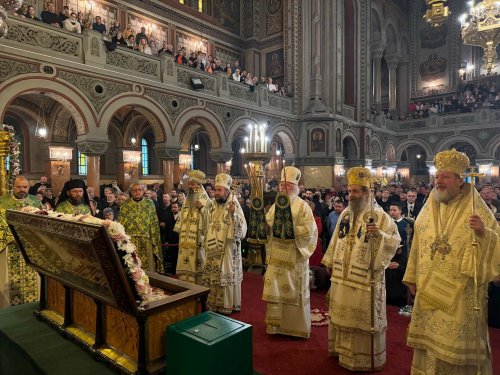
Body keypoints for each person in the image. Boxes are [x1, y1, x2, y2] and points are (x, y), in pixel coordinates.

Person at [403, 149, 500, 374]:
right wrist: (412, 276)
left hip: (460, 293)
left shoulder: (477, 207)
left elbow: (495, 240)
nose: (439, 181)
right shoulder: (429, 205)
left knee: (454, 349)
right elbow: (418, 241)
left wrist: (483, 233)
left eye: (445, 176)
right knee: (429, 345)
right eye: (437, 177)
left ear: (459, 179)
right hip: (428, 288)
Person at [322, 166, 400, 371]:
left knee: (360, 319)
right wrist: (330, 261)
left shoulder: (380, 216)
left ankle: (362, 358)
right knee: (341, 314)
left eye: (356, 191)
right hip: (342, 275)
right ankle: (341, 351)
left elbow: (394, 241)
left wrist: (380, 236)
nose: (351, 195)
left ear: (367, 193)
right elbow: (336, 240)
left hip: (364, 277)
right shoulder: (346, 213)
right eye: (349, 191)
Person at [262, 166, 318, 338]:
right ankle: (276, 327)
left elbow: (310, 231)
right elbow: (269, 226)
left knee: (293, 292)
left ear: (294, 187)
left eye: (286, 185)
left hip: (294, 256)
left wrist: (288, 229)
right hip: (276, 255)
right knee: (275, 291)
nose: (283, 188)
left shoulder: (303, 207)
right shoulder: (275, 206)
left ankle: (296, 328)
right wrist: (264, 225)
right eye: (281, 185)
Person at [202, 173, 246, 314]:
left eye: (219, 190)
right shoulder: (213, 206)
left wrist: (233, 215)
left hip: (227, 249)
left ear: (227, 191)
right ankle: (214, 303)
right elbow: (206, 224)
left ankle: (227, 304)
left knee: (225, 275)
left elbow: (242, 230)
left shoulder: (234, 206)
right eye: (215, 190)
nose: (216, 193)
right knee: (214, 275)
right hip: (213, 248)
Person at [0, 176, 42, 308]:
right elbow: (1, 224)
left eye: (25, 187)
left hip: (31, 247)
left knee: (34, 280)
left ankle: (33, 306)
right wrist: (15, 239)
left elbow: (42, 220)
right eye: (19, 187)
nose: (22, 190)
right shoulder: (2, 202)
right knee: (7, 282)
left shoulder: (35, 201)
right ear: (13, 187)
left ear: (29, 187)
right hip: (11, 247)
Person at [174, 170, 211, 284]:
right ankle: (185, 285)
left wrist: (201, 209)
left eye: (193, 184)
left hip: (198, 239)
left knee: (199, 262)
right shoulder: (187, 199)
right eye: (189, 184)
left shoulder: (206, 200)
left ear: (199, 186)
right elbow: (182, 215)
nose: (190, 186)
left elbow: (210, 219)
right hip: (185, 239)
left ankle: (199, 287)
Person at [118, 183, 162, 272]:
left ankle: (148, 283)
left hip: (146, 239)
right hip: (131, 240)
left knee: (148, 266)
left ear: (143, 191)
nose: (137, 192)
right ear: (131, 192)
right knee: (132, 264)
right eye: (135, 190)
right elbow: (121, 223)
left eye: (140, 190)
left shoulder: (149, 203)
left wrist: (154, 237)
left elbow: (154, 222)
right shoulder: (125, 204)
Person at [386, 202, 411, 308]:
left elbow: (408, 242)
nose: (392, 212)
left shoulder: (406, 225)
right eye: (390, 210)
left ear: (400, 211)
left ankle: (400, 301)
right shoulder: (387, 223)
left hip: (401, 255)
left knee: (398, 277)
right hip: (388, 253)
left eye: (394, 210)